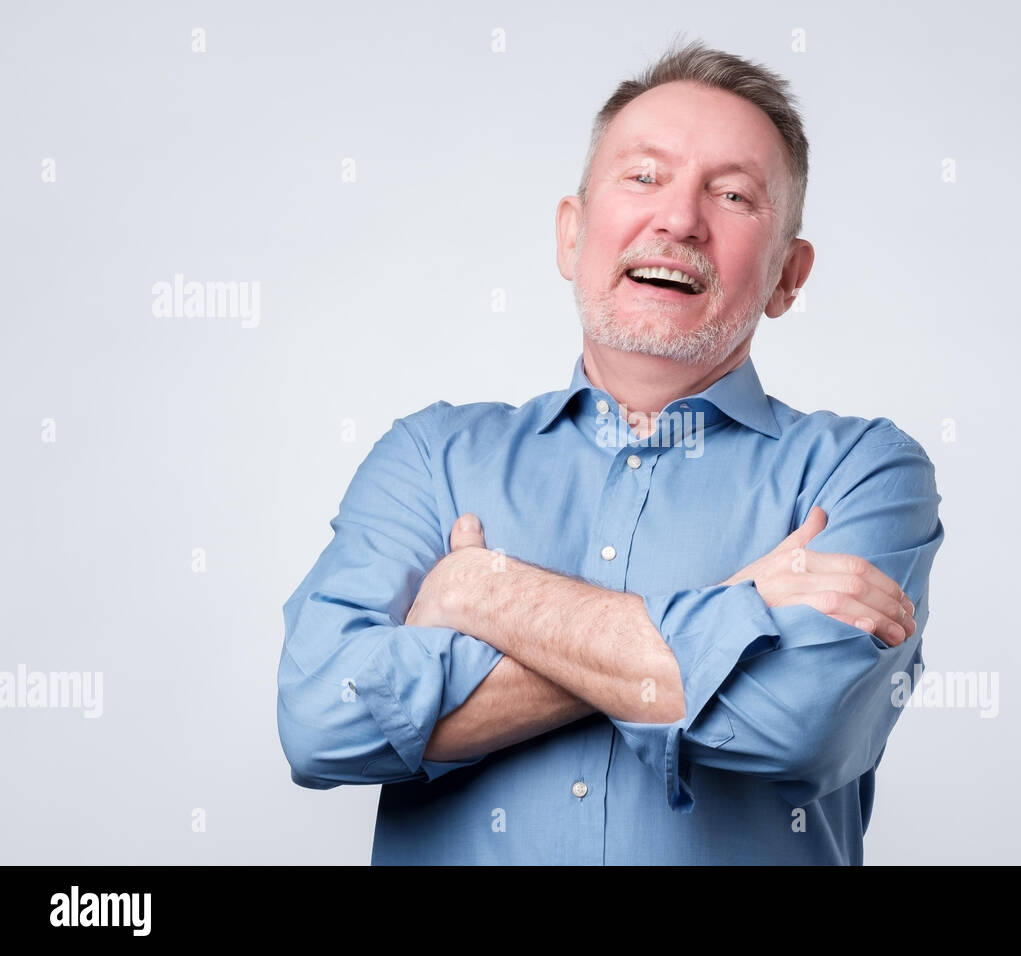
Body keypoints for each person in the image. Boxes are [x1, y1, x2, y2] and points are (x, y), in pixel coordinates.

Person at [277, 39, 945, 865]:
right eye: (643, 176)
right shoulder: (430, 457)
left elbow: (794, 726)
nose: (679, 219)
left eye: (733, 194)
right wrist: (737, 610)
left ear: (786, 277)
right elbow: (321, 720)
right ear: (571, 233)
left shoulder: (865, 474)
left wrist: (486, 595)